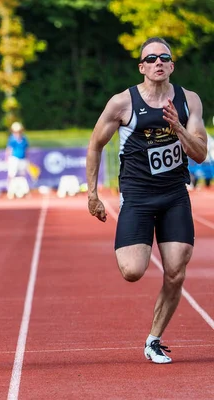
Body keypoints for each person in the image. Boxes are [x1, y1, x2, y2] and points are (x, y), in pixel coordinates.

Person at [86, 37, 207, 364]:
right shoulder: (122, 103)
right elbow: (95, 144)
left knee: (176, 270)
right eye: (150, 58)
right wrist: (92, 193)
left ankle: (154, 339)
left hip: (174, 196)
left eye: (164, 57)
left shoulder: (189, 101)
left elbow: (200, 154)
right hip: (138, 198)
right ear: (142, 67)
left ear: (171, 65)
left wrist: (178, 128)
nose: (157, 62)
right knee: (132, 270)